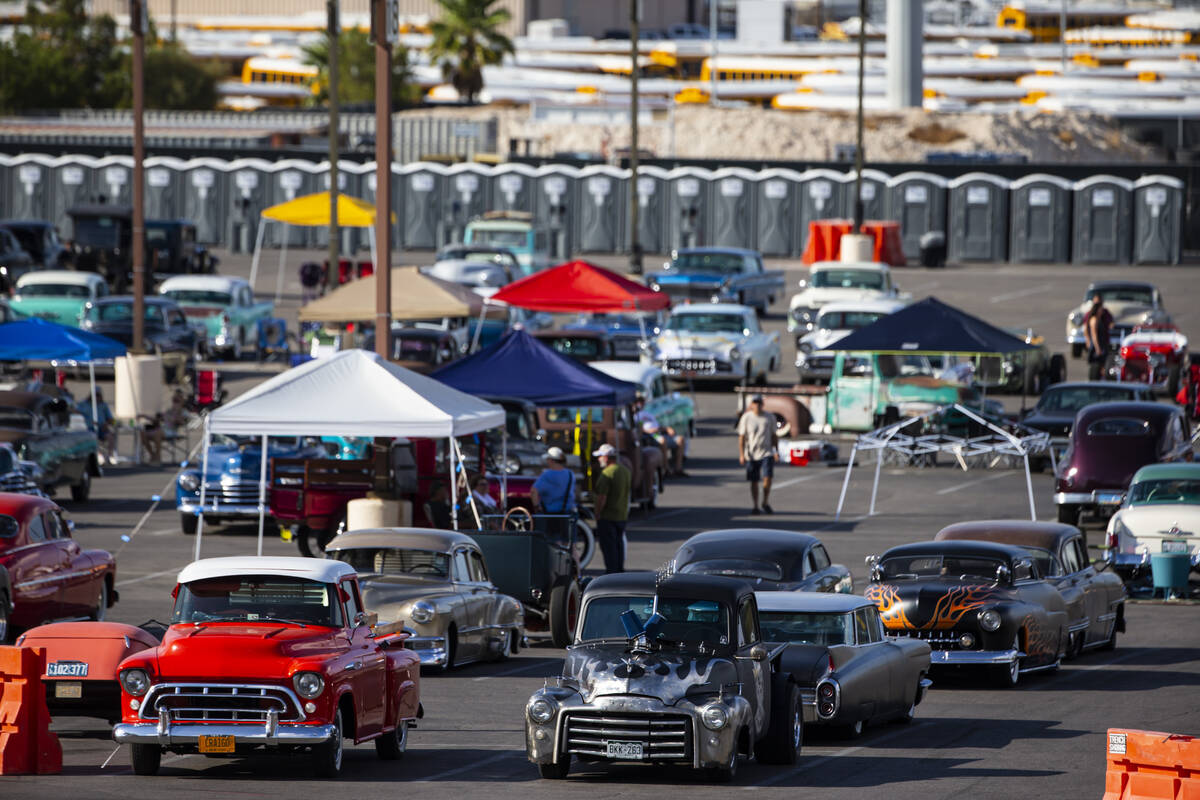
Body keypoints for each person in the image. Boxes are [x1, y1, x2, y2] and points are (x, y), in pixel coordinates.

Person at [592, 443, 631, 574]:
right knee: (619, 544)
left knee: (609, 547)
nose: (599, 459)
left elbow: (602, 497)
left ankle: (612, 572)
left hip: (608, 516)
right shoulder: (624, 471)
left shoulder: (607, 473)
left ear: (607, 457)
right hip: (622, 515)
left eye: (600, 456)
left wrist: (597, 512)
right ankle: (619, 570)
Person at [737, 394, 777, 515]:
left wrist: (776, 451)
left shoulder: (769, 417)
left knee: (767, 477)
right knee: (754, 480)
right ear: (751, 405)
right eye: (755, 403)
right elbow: (742, 437)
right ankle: (755, 505)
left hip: (767, 452)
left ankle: (765, 501)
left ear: (762, 404)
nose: (757, 405)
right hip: (752, 454)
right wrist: (742, 454)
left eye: (759, 403)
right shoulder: (746, 418)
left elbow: (774, 435)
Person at [530, 446, 576, 515]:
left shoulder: (547, 475)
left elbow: (534, 491)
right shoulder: (570, 474)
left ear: (551, 460)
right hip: (567, 514)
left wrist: (536, 507)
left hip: (549, 514)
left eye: (547, 459)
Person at [77, 388, 115, 465]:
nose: (97, 398)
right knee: (92, 437)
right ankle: (99, 454)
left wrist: (106, 424)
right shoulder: (83, 404)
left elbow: (111, 419)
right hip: (89, 428)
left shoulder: (103, 405)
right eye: (95, 395)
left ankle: (110, 455)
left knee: (110, 436)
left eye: (98, 396)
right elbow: (75, 411)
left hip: (101, 428)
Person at [1083, 292, 1114, 381]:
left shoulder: (1105, 314)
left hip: (1103, 342)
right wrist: (1096, 347)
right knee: (1097, 364)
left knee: (1104, 364)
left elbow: (1111, 321)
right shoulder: (1093, 319)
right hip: (1098, 344)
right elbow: (1094, 335)